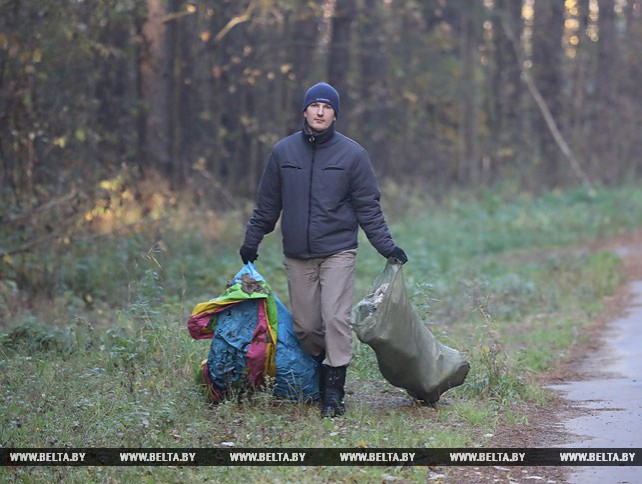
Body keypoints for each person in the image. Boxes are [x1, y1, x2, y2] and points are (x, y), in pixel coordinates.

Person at [239, 82, 407, 417]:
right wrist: (252, 240)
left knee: (334, 318)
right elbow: (268, 205)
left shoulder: (353, 155)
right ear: (304, 111)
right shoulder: (284, 153)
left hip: (338, 251)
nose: (320, 111)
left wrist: (387, 247)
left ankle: (333, 393)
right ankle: (317, 373)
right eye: (314, 105)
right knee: (306, 326)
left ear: (334, 114)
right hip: (297, 254)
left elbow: (368, 208)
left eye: (327, 107)